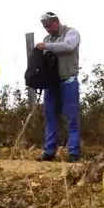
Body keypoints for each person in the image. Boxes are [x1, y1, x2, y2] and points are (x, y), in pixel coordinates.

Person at [35, 12, 82, 162]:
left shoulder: (71, 33)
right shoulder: (47, 38)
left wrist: (47, 46)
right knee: (50, 117)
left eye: (49, 25)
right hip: (51, 83)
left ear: (57, 22)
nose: (47, 29)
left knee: (71, 117)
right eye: (44, 27)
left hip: (68, 80)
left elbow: (68, 46)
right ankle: (49, 151)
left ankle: (73, 152)